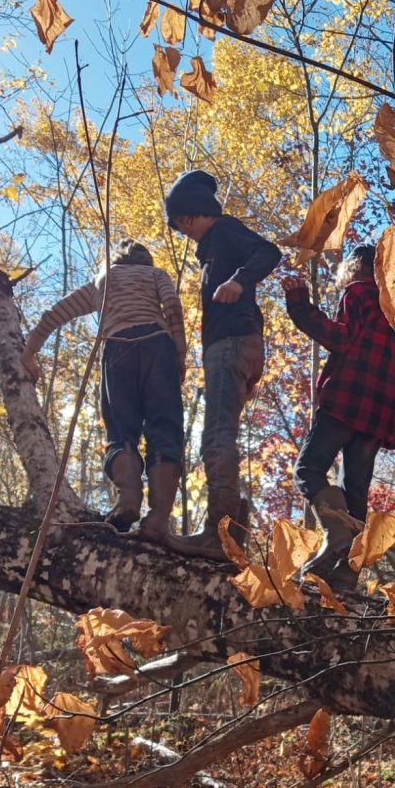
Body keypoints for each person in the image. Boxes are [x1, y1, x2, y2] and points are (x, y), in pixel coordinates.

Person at [282, 243, 395, 589]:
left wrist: (300, 306)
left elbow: (341, 338)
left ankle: (337, 536)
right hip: (380, 415)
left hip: (346, 400)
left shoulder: (358, 294)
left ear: (358, 269)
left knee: (309, 469)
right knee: (356, 492)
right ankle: (347, 575)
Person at [21, 238, 186, 542]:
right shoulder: (156, 275)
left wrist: (29, 354)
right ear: (145, 258)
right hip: (157, 345)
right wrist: (179, 351)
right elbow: (173, 307)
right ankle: (158, 518)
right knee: (165, 427)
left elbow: (54, 315)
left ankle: (128, 498)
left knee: (121, 430)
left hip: (117, 348)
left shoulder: (103, 280)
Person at [163, 169, 281, 558]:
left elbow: (269, 251)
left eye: (185, 221)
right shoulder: (211, 249)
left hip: (232, 344)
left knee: (214, 437)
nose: (185, 230)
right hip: (233, 347)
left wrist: (239, 281)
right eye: (179, 225)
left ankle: (221, 533)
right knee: (217, 434)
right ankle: (233, 533)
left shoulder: (225, 231)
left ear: (197, 212)